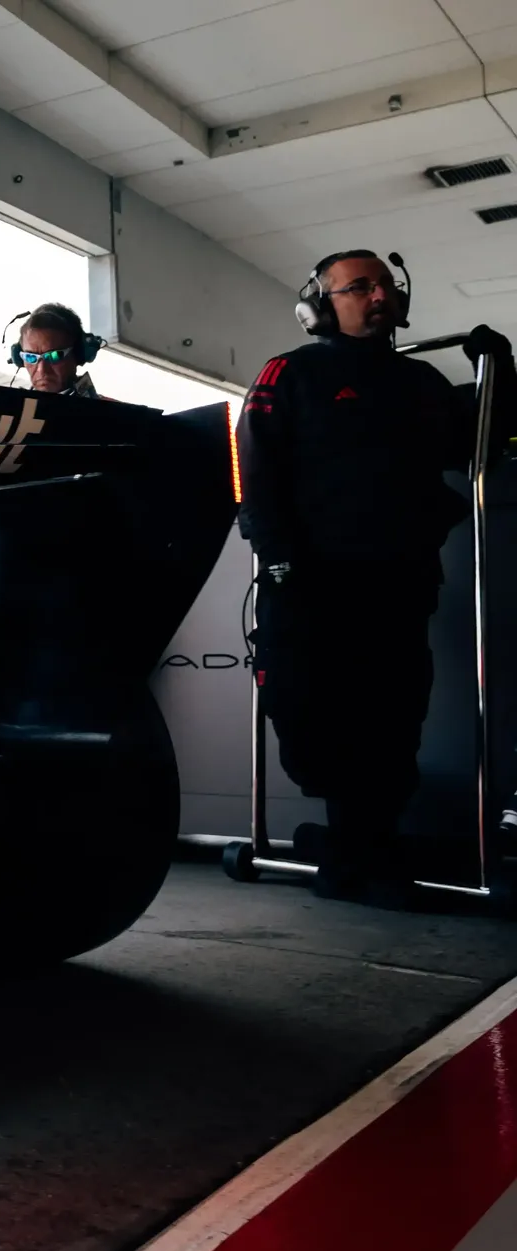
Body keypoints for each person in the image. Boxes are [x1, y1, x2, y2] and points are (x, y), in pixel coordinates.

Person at [238, 247, 514, 901]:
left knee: (393, 721)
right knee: (317, 723)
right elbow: (257, 470)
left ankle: (360, 852)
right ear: (321, 306)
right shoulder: (291, 373)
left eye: (384, 283)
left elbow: (486, 441)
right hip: (309, 586)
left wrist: (497, 367)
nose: (376, 294)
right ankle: (352, 847)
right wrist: (275, 556)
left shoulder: (421, 386)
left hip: (397, 583)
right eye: (357, 286)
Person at [10, 304, 100, 397]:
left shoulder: (108, 411)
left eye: (54, 355)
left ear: (78, 353)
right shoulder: (13, 408)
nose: (42, 370)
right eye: (30, 357)